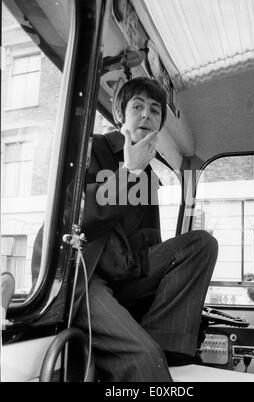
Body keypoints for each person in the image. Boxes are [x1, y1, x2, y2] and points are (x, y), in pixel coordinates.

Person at [72, 77, 218, 382]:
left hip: (126, 275)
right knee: (144, 358)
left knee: (201, 243)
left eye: (154, 111)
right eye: (137, 107)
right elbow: (81, 216)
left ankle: (163, 345)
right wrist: (131, 170)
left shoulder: (149, 175)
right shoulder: (92, 147)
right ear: (120, 116)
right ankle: (149, 353)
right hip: (85, 276)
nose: (146, 115)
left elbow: (149, 246)